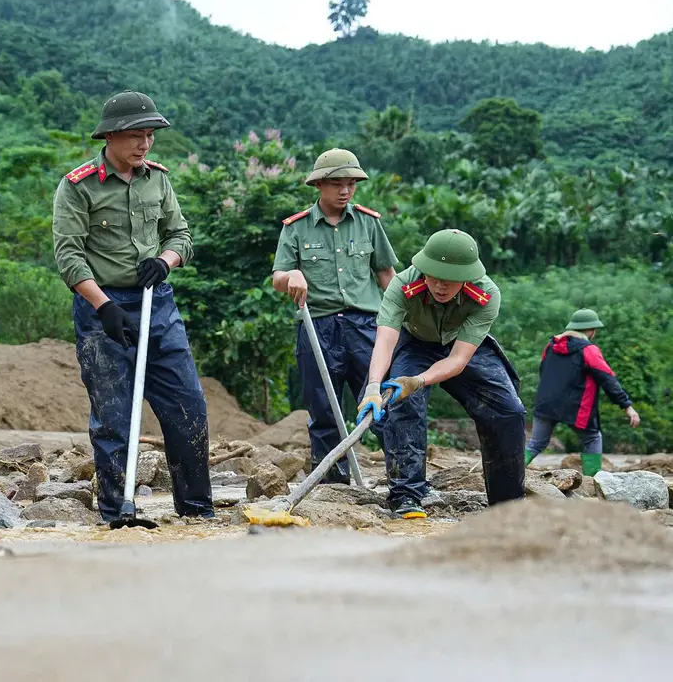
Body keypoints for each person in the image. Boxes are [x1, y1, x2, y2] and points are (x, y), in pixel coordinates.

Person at [51, 90, 213, 523]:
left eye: (150, 136)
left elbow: (182, 235)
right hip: (102, 309)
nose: (145, 144)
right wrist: (104, 306)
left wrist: (165, 261)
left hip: (156, 304)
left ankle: (197, 511)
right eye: (136, 136)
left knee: (188, 407)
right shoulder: (78, 186)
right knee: (114, 415)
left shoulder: (158, 179)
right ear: (110, 136)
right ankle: (116, 512)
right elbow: (68, 256)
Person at [356, 229, 526, 519]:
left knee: (508, 410)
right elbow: (385, 339)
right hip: (414, 343)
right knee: (401, 404)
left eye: (449, 280)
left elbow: (458, 360)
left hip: (462, 346)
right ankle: (407, 495)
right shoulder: (402, 285)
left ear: (467, 277)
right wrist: (373, 386)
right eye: (433, 275)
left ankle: (507, 505)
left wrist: (418, 381)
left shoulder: (486, 295)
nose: (439, 285)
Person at [272, 148, 398, 484]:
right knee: (324, 410)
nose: (345, 191)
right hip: (318, 327)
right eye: (337, 184)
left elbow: (387, 274)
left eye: (351, 185)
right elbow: (278, 277)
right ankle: (333, 482)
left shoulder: (369, 223)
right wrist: (292, 277)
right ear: (320, 186)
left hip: (365, 326)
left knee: (380, 401)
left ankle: (404, 480)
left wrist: (403, 320)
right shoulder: (296, 228)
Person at [523, 309, 640, 476]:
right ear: (592, 330)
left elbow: (543, 371)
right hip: (577, 406)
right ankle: (593, 482)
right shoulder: (589, 350)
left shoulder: (551, 346)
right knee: (592, 438)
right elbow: (607, 379)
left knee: (536, 443)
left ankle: (509, 473)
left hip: (546, 402)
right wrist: (627, 406)